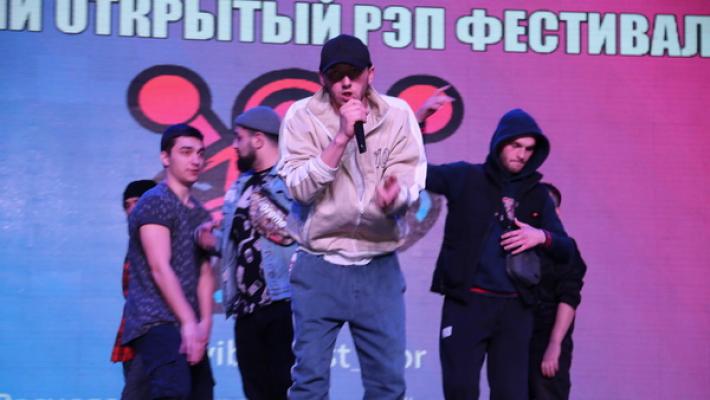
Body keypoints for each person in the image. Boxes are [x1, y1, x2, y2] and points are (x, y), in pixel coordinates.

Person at [277, 34, 426, 399]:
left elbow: (411, 180)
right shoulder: (301, 116)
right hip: (319, 265)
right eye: (336, 74)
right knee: (309, 384)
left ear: (370, 74)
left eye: (354, 73)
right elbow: (299, 188)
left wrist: (395, 197)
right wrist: (341, 137)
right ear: (322, 79)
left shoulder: (397, 114)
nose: (346, 83)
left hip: (378, 267)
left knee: (388, 385)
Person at [426, 108, 573, 399]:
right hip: (467, 303)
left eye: (529, 149)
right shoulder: (466, 177)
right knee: (460, 389)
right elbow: (422, 173)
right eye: (516, 145)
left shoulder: (538, 196)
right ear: (499, 143)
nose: (522, 154)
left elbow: (565, 248)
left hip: (515, 309)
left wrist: (540, 236)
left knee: (511, 394)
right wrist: (418, 125)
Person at [196, 106, 297, 399]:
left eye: (239, 138)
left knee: (286, 389)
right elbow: (243, 242)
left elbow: (295, 235)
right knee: (254, 391)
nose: (234, 145)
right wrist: (212, 241)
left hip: (283, 303)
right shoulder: (240, 185)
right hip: (246, 310)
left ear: (258, 139)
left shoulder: (293, 180)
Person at [122, 124, 215, 399]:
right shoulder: (155, 201)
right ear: (165, 157)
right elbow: (159, 267)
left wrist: (204, 323)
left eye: (200, 153)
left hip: (187, 323)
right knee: (172, 389)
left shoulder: (200, 212)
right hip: (156, 319)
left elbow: (205, 273)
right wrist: (188, 322)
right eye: (186, 152)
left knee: (201, 392)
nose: (195, 160)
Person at [529, 183, 586, 400]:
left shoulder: (566, 249)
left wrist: (554, 344)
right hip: (518, 335)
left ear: (557, 213)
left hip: (547, 335)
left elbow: (569, 297)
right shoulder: (518, 244)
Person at [111, 179, 156, 399]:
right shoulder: (135, 243)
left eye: (137, 202)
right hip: (132, 332)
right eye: (127, 205)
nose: (131, 210)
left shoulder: (163, 240)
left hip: (155, 331)